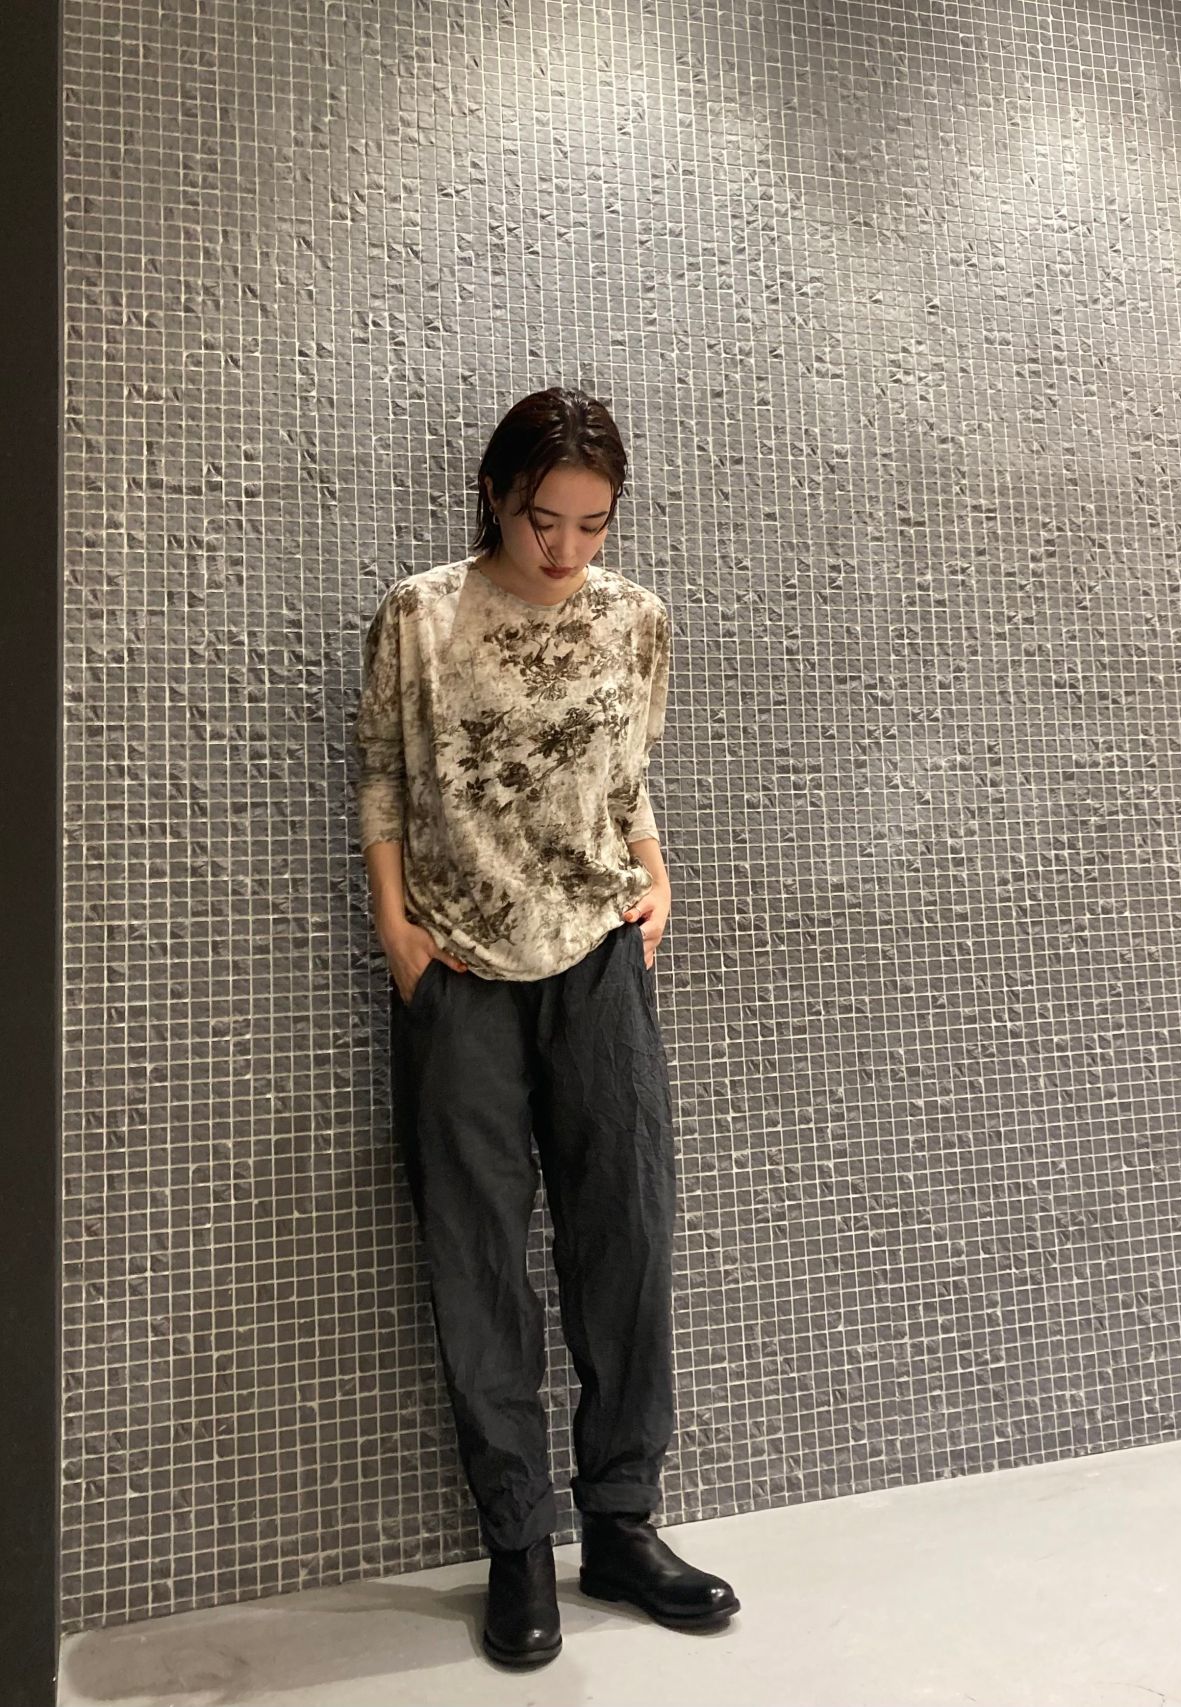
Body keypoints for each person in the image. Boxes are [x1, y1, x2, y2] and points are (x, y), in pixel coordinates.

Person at [353, 386, 740, 1668]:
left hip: (599, 956)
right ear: (494, 496)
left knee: (624, 1230)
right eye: (542, 520)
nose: (566, 548)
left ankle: (620, 1524)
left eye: (591, 523)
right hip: (457, 961)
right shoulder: (420, 614)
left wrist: (657, 872)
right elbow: (382, 776)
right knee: (474, 1254)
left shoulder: (637, 619)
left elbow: (627, 774)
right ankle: (516, 1543)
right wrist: (397, 931)